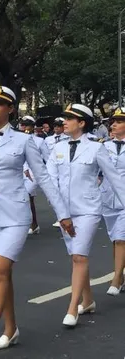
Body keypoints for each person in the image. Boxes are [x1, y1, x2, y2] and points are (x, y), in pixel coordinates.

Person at [0, 86, 74, 356]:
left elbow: (45, 178)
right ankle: (10, 328)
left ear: (11, 109)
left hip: (15, 215)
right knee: (2, 275)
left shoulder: (24, 141)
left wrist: (62, 214)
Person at [47, 104, 125, 327]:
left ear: (81, 123)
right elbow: (50, 180)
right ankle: (88, 300)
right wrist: (59, 210)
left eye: (70, 118)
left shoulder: (96, 148)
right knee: (75, 256)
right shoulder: (57, 148)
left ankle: (73, 307)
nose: (65, 122)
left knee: (80, 256)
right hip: (65, 212)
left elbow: (115, 179)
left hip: (89, 209)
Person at [101, 108, 125, 296]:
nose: (114, 124)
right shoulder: (103, 146)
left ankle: (117, 278)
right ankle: (121, 274)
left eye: (119, 121)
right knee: (114, 238)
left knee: (121, 237)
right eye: (113, 121)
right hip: (107, 198)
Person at [19, 115, 48, 235]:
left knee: (27, 195)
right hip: (19, 171)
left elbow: (48, 158)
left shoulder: (39, 141)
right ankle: (32, 223)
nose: (24, 127)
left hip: (33, 172)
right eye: (22, 125)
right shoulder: (17, 139)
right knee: (24, 198)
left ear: (32, 127)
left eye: (27, 125)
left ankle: (30, 223)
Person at [44, 117, 69, 228]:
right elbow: (45, 154)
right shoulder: (48, 139)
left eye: (59, 126)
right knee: (54, 190)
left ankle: (65, 216)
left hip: (64, 166)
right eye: (55, 126)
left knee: (65, 191)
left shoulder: (68, 138)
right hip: (52, 166)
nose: (56, 128)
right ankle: (60, 215)